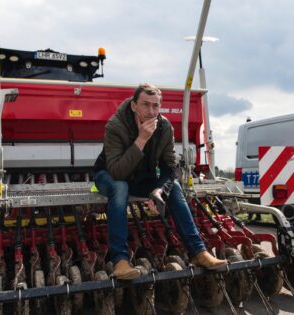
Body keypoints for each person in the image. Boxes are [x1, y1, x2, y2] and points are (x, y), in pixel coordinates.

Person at [93, 83, 227, 280]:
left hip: (140, 176)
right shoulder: (116, 125)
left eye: (156, 106)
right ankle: (120, 261)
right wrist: (141, 140)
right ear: (133, 106)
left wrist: (159, 191)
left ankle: (199, 252)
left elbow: (170, 167)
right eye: (146, 105)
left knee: (175, 187)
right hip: (108, 175)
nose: (151, 111)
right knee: (120, 187)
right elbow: (117, 171)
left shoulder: (164, 127)